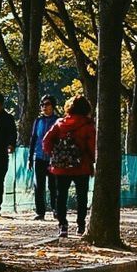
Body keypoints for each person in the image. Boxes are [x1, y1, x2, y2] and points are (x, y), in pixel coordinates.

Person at [43, 95, 96, 238]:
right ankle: (80, 225)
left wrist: (54, 154)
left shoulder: (60, 123)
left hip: (61, 167)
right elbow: (92, 147)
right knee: (82, 196)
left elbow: (46, 140)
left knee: (61, 196)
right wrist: (92, 160)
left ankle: (63, 226)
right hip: (82, 166)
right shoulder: (88, 125)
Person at [28, 96, 59, 220]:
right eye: (42, 105)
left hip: (53, 158)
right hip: (39, 157)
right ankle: (40, 212)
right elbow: (33, 139)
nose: (44, 107)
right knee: (39, 186)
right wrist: (30, 157)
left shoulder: (58, 121)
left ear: (53, 106)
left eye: (47, 104)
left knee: (54, 186)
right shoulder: (38, 121)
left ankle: (55, 209)